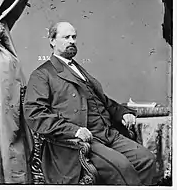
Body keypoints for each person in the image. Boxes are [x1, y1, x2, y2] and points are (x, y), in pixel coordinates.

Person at [24, 21, 156, 185]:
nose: (72, 41)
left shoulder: (78, 70)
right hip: (82, 142)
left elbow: (103, 101)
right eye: (66, 37)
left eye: (74, 37)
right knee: (122, 167)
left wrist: (123, 113)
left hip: (108, 134)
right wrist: (74, 130)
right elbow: (35, 114)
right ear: (52, 41)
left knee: (146, 159)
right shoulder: (42, 74)